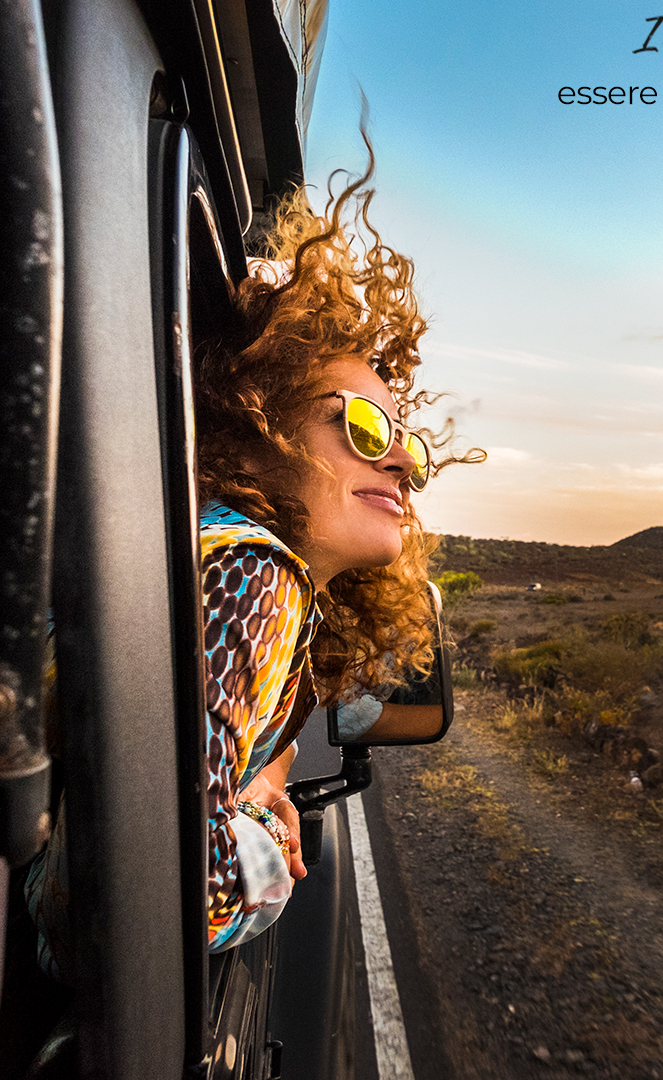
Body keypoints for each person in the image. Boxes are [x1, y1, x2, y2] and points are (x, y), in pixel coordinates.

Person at [27, 165, 464, 969]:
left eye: (410, 441)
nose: (402, 460)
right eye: (366, 426)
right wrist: (262, 823)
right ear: (257, 424)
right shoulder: (254, 575)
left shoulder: (207, 561)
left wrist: (260, 771)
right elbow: (153, 897)